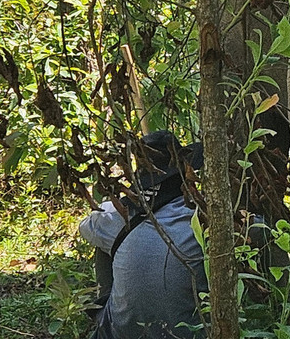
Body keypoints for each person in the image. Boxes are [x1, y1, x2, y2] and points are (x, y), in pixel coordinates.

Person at [80, 131, 207, 339]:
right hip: (189, 332)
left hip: (122, 333)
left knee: (105, 245)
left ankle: (105, 317)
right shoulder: (201, 216)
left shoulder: (121, 214)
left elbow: (86, 226)